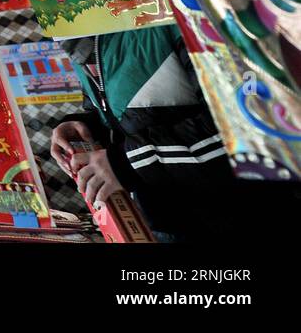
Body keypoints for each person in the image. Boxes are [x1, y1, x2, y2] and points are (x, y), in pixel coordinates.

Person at [50, 26, 301, 241]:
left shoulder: (180, 9)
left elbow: (248, 127)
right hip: (167, 223)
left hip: (248, 218)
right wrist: (86, 126)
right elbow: (120, 112)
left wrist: (124, 162)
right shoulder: (79, 31)